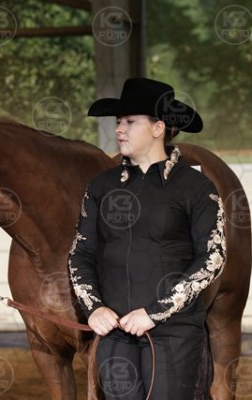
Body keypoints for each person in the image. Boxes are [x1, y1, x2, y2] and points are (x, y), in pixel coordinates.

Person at [69, 78, 226, 400]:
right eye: (118, 121)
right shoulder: (100, 186)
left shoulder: (196, 187)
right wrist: (94, 308)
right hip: (114, 333)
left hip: (173, 334)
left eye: (130, 121)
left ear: (158, 128)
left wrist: (154, 313)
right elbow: (80, 253)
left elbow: (213, 259)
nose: (119, 129)